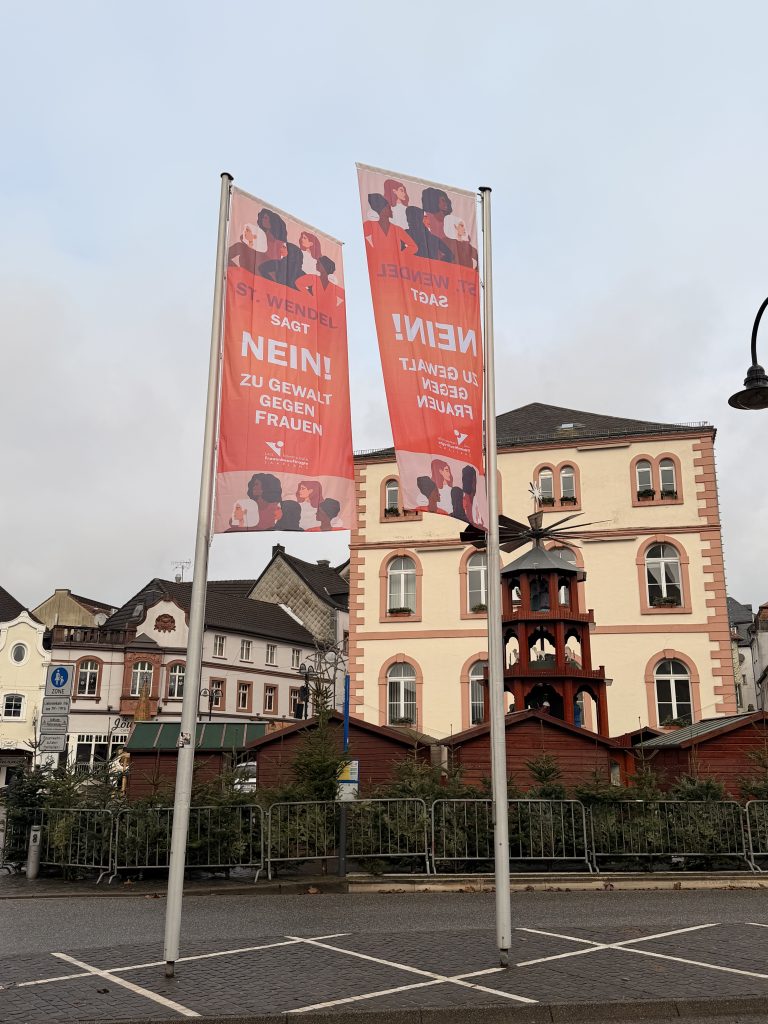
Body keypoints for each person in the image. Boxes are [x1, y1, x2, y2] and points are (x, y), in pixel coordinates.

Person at [364, 194, 417, 260]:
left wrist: (400, 255)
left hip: (393, 263)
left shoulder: (397, 229)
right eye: (388, 208)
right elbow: (359, 235)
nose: (391, 210)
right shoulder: (371, 224)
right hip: (379, 261)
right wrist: (372, 251)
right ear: (383, 211)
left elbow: (413, 247)